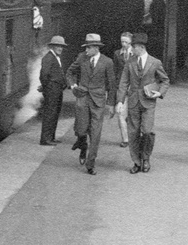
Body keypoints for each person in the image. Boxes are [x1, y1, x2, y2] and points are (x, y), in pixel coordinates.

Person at [116, 33, 170, 174]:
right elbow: (123, 82)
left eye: (133, 47)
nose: (131, 49)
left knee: (147, 131)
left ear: (141, 47)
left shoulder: (155, 62)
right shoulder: (130, 62)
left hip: (148, 102)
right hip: (133, 101)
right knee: (133, 133)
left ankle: (146, 158)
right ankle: (136, 162)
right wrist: (120, 101)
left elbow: (165, 80)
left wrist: (160, 92)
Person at [66, 33, 117, 175]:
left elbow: (112, 85)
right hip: (82, 98)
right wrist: (73, 86)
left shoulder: (107, 62)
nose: (86, 51)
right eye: (86, 48)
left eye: (88, 48)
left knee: (95, 133)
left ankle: (91, 163)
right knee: (81, 130)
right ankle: (82, 144)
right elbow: (70, 72)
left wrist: (111, 104)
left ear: (96, 48)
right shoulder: (82, 58)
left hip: (98, 101)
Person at [38, 35, 68, 145]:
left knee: (55, 113)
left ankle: (51, 137)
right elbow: (43, 75)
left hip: (57, 89)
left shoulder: (55, 57)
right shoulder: (48, 58)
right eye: (58, 46)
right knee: (50, 114)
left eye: (62, 46)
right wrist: (46, 87)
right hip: (52, 90)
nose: (60, 48)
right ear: (53, 46)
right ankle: (45, 139)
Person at [112, 32, 134, 148]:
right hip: (121, 87)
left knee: (133, 114)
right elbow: (115, 71)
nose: (124, 44)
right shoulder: (117, 54)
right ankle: (125, 139)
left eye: (126, 42)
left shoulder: (135, 53)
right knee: (120, 113)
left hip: (134, 88)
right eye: (122, 42)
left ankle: (134, 137)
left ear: (131, 42)